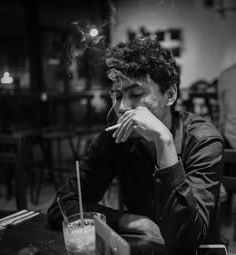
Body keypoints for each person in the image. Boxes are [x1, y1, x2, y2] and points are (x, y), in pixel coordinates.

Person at [47, 37, 224, 254]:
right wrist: (128, 220)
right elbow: (61, 207)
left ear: (170, 95)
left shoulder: (203, 141)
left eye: (136, 94)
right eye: (117, 95)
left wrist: (164, 142)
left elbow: (186, 242)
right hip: (146, 247)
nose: (122, 107)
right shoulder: (117, 137)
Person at [218, 63, 236, 149]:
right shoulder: (225, 75)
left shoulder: (225, 75)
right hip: (230, 137)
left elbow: (222, 115)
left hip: (230, 137)